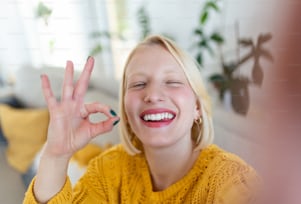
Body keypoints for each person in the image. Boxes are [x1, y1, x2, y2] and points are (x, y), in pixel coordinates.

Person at [23, 35, 259, 204]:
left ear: (197, 107)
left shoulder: (231, 180)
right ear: (125, 109)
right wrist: (56, 155)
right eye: (138, 84)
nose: (153, 95)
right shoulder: (109, 171)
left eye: (172, 82)